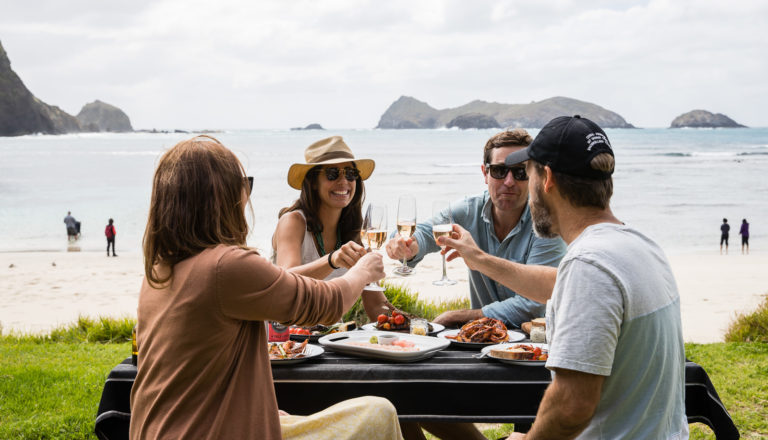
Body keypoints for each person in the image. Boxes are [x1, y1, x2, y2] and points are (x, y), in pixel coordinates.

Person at [129, 135, 402, 440]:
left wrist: (258, 409)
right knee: (380, 413)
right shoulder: (226, 266)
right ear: (220, 195)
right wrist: (361, 272)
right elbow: (323, 305)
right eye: (243, 184)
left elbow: (198, 372)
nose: (246, 195)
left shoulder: (159, 271)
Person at [441, 115, 688, 439]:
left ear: (548, 180)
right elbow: (556, 283)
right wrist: (482, 261)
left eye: (525, 175)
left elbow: (572, 407)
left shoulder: (589, 266)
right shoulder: (638, 245)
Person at [386, 129, 566, 329]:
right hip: (479, 340)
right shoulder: (470, 209)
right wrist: (407, 245)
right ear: (485, 173)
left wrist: (460, 316)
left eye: (520, 172)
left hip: (536, 345)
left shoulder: (548, 222)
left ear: (533, 176)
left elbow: (534, 305)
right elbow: (426, 232)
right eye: (499, 171)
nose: (509, 182)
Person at [272, 135, 394, 321]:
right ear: (313, 182)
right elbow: (285, 281)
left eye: (351, 174)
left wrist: (415, 326)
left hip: (332, 339)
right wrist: (332, 260)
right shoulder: (293, 221)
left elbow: (376, 304)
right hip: (286, 339)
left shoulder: (357, 233)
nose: (344, 181)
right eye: (332, 174)